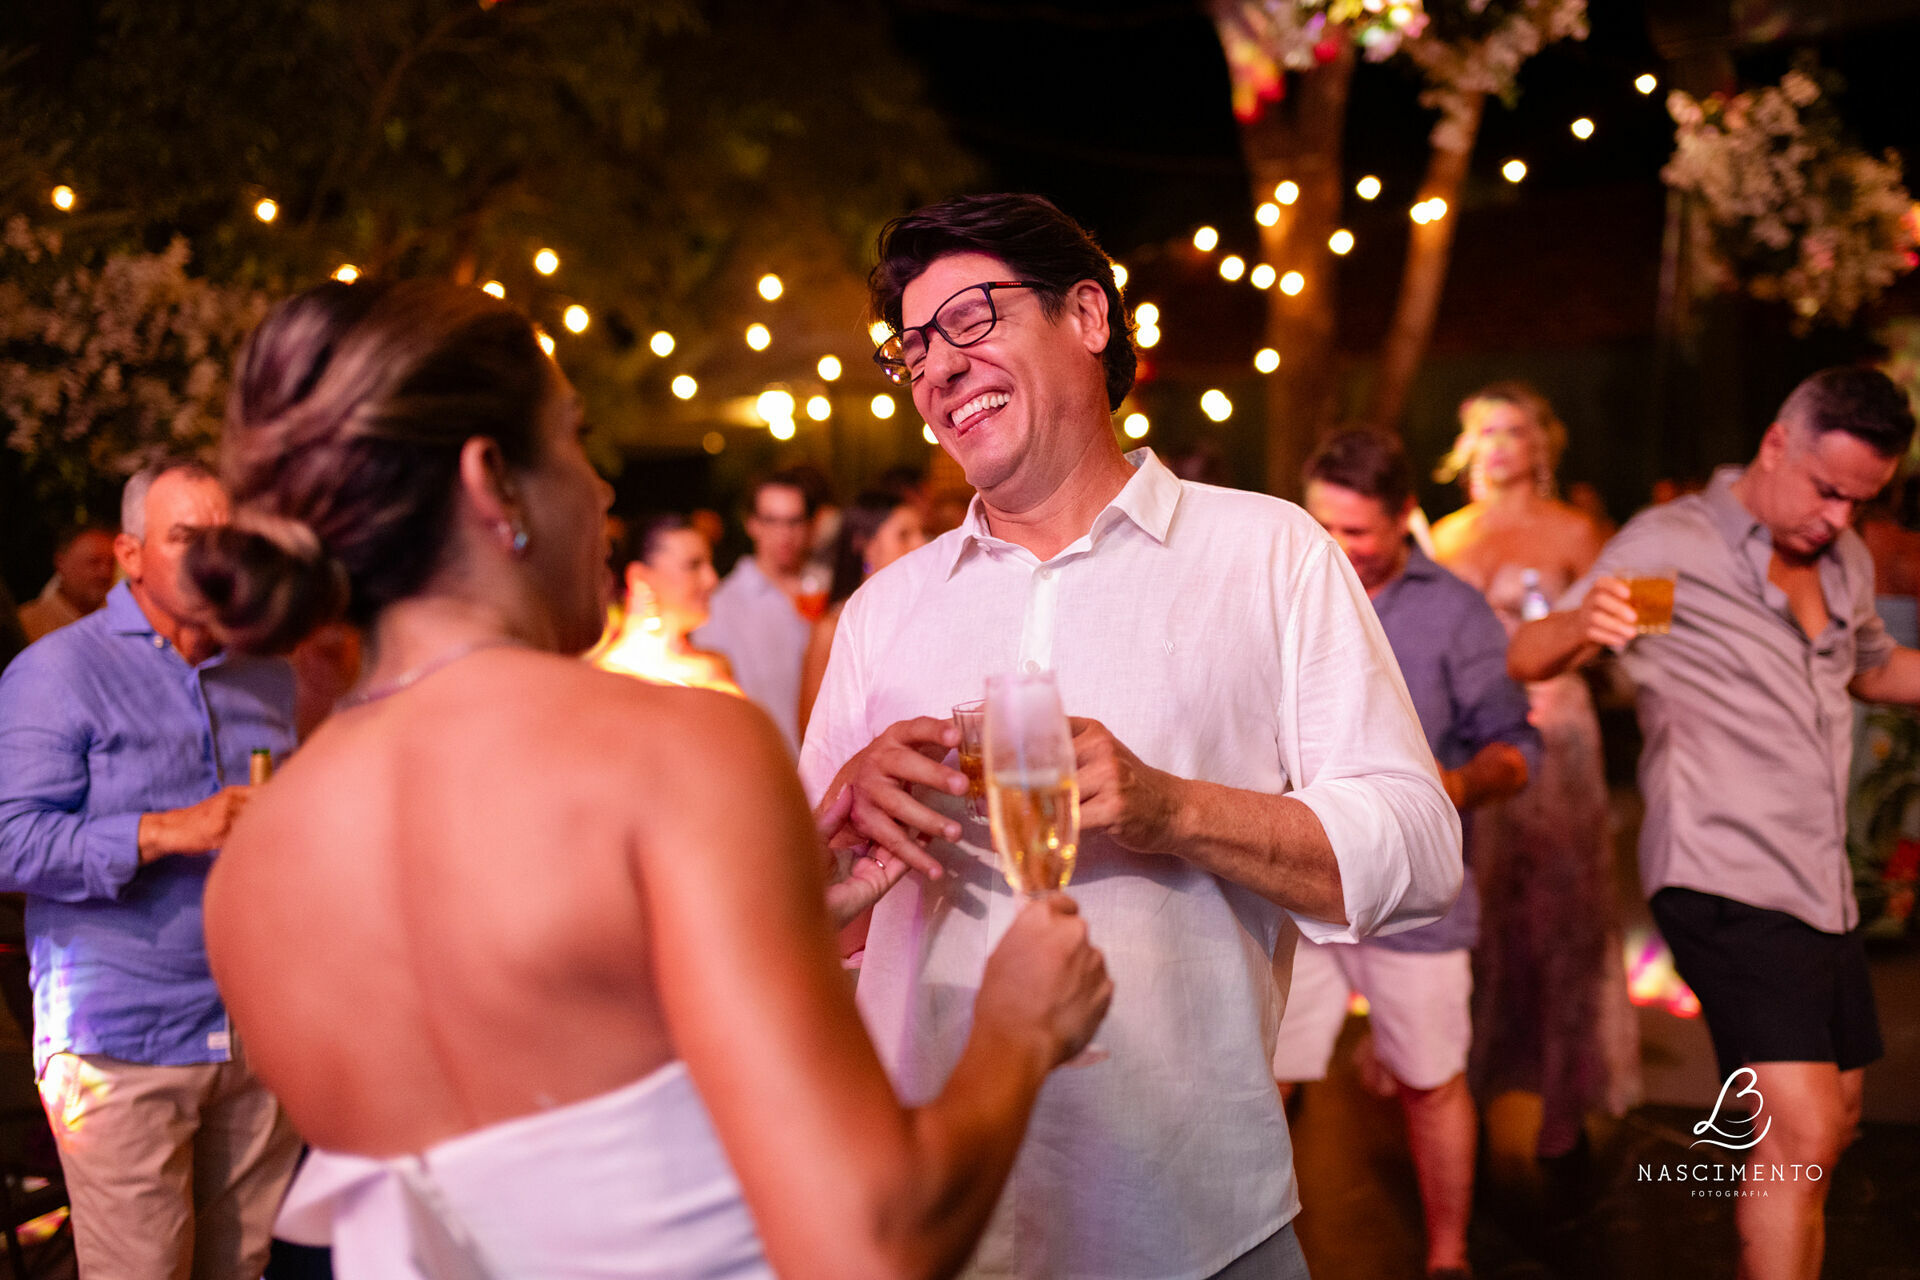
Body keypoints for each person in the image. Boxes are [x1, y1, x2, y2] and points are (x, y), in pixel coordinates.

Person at [183, 277, 1111, 1279]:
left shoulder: (250, 876)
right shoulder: (676, 752)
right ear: (493, 482)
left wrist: (771, 915)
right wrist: (1018, 1026)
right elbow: (875, 1243)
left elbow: (529, 1125)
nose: (600, 492)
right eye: (574, 440)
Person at [800, 193, 1461, 1280]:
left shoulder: (1267, 554)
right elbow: (807, 932)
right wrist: (837, 839)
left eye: (969, 320)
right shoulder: (883, 610)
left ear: (1088, 316)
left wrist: (1175, 807)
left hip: (1190, 1218)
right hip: (937, 1220)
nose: (939, 368)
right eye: (912, 351)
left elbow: (1422, 848)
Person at [1510, 365, 1920, 1280]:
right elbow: (1531, 654)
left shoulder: (1845, 561)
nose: (1839, 518)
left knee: (1832, 1124)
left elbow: (1872, 671)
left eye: (1861, 500)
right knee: (1802, 1129)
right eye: (1826, 489)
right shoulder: (1675, 550)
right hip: (1721, 875)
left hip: (1821, 883)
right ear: (1776, 444)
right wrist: (1583, 623)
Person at [0, 460, 301, 1279]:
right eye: (186, 538)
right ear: (130, 555)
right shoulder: (60, 670)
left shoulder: (269, 673)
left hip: (255, 1030)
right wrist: (165, 831)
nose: (214, 558)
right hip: (121, 1039)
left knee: (241, 1270)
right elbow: (10, 842)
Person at [1274, 428, 1540, 1280]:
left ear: (1402, 520)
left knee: (1430, 1080)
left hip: (1413, 895)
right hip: (1296, 881)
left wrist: (1452, 786)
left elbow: (1515, 746)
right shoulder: (1283, 586)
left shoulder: (1455, 611)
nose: (1335, 545)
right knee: (1263, 1076)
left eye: (1355, 531)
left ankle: (1448, 1256)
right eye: (1322, 524)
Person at [1428, 382, 1639, 1159]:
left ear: (1542, 442)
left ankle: (1565, 1094)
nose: (1499, 446)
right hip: (1473, 735)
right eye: (1485, 432)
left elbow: (1630, 623)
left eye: (1513, 431)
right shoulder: (1445, 537)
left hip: (1560, 732)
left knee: (1562, 913)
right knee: (1481, 913)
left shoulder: (1575, 530)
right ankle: (1473, 1084)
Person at [692, 470, 819, 754]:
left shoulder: (823, 589)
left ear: (809, 525)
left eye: (794, 521)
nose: (784, 534)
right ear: (752, 524)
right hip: (764, 763)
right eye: (771, 521)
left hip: (827, 766)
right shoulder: (722, 605)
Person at [798, 490, 928, 737]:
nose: (920, 545)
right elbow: (811, 731)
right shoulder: (833, 627)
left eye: (922, 533)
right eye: (904, 535)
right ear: (864, 543)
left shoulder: (922, 619)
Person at [592, 513, 741, 693]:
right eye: (693, 566)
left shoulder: (712, 665)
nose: (711, 580)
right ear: (641, 576)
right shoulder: (617, 674)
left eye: (710, 564)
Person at [17, 523, 117, 643]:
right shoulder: (26, 624)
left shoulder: (124, 619)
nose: (105, 573)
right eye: (94, 562)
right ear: (61, 562)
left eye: (111, 563)